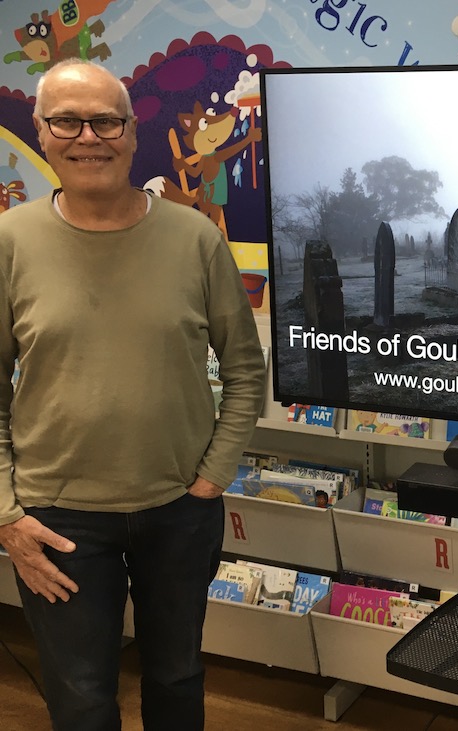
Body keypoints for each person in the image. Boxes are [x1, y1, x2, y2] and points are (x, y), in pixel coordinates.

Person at [0, 59, 266, 730]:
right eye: (66, 120)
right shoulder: (10, 242)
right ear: (42, 129)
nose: (88, 136)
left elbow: (244, 369)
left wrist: (211, 477)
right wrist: (5, 512)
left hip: (180, 509)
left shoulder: (197, 237)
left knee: (177, 677)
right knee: (83, 696)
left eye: (106, 120)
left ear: (131, 130)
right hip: (59, 520)